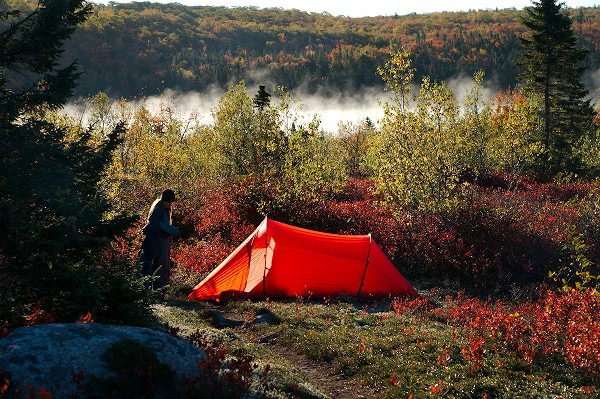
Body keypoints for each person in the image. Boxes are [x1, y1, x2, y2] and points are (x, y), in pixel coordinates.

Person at [139, 189, 181, 289]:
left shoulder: (158, 209)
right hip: (158, 242)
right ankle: (157, 289)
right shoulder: (160, 211)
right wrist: (176, 233)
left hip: (154, 242)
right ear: (165, 201)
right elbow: (163, 225)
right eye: (169, 202)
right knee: (160, 266)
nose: (170, 205)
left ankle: (150, 288)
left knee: (151, 265)